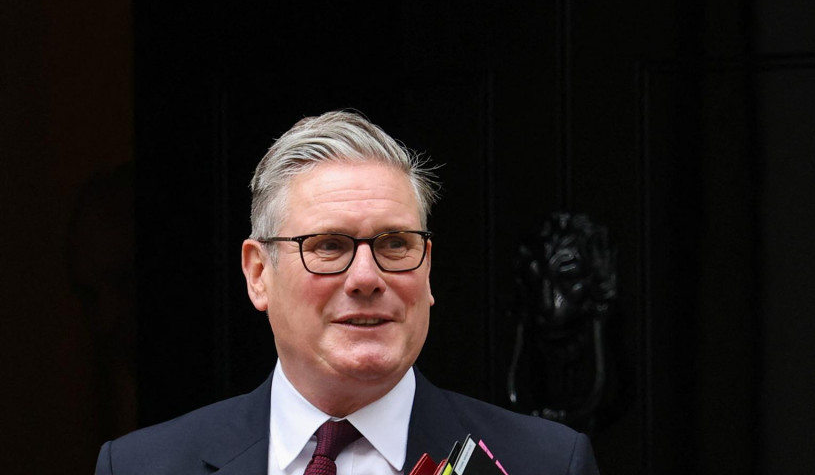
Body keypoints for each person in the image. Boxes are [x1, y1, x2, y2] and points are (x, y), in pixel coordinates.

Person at [95, 110, 600, 474]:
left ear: (428, 271)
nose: (365, 277)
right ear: (258, 273)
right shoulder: (145, 465)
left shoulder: (543, 462)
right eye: (330, 246)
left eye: (396, 243)